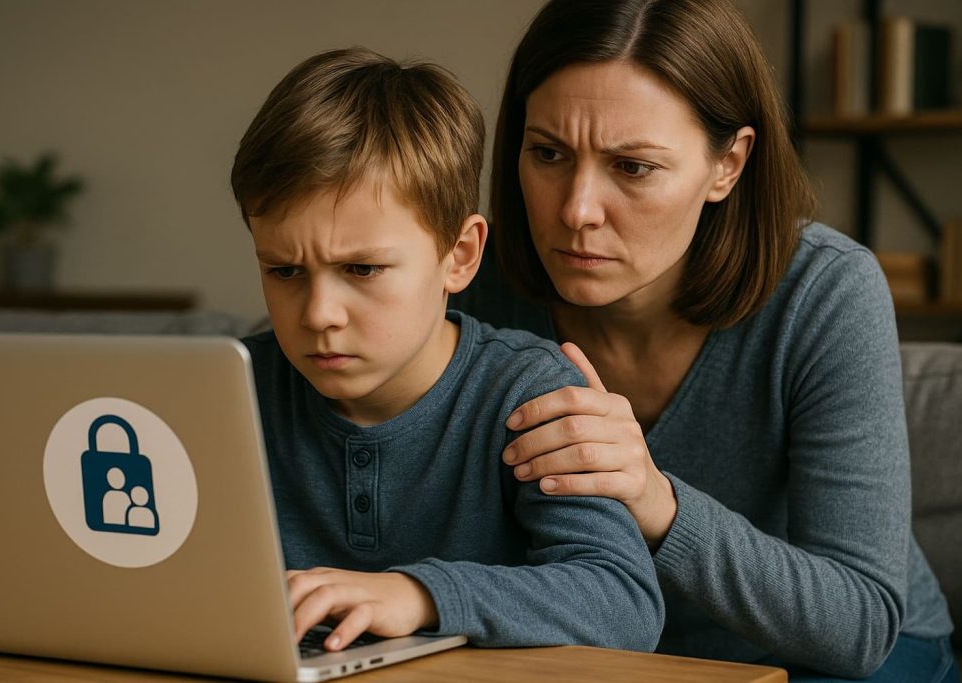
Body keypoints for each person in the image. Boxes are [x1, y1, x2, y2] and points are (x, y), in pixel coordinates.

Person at [450, 1, 957, 681]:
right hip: (624, 656)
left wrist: (656, 500)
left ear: (729, 164)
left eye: (632, 167)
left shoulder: (827, 292)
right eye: (548, 153)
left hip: (850, 659)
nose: (575, 209)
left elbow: (859, 621)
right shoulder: (475, 289)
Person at [229, 47, 663, 654]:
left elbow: (623, 603)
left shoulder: (529, 392)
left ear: (460, 254)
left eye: (362, 268)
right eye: (283, 271)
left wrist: (419, 594)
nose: (318, 314)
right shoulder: (233, 388)